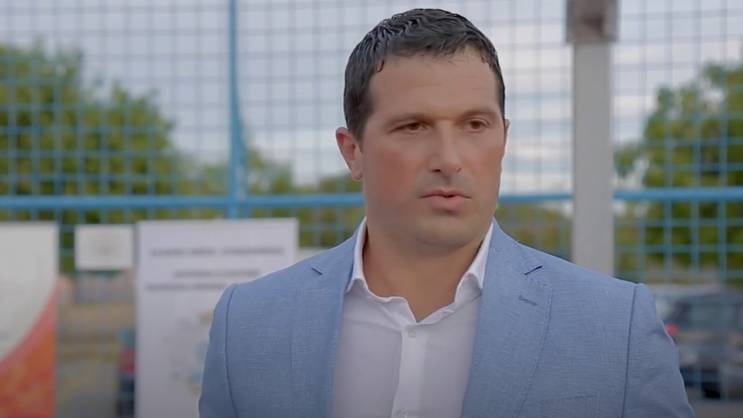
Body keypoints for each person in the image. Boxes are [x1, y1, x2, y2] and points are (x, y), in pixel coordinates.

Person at [200, 8, 694, 418]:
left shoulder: (616, 327)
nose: (449, 158)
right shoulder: (247, 325)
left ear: (504, 137)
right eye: (413, 127)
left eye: (475, 124)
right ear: (353, 151)